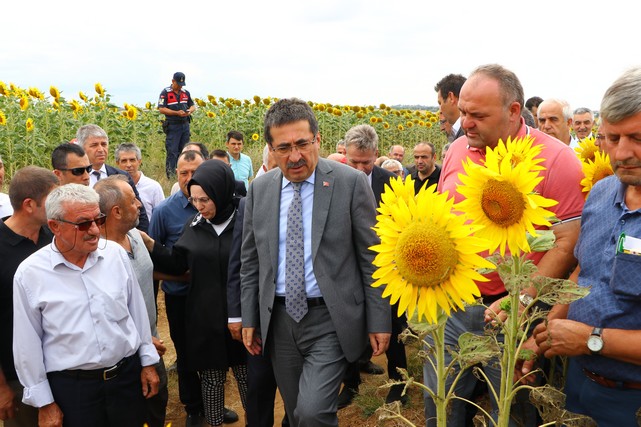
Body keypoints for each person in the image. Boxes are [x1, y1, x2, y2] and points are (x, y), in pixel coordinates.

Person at [430, 64, 585, 427]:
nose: (466, 123)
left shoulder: (558, 161)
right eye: (464, 113)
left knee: (511, 408)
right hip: (454, 307)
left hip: (516, 314)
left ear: (514, 111)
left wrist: (523, 298)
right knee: (441, 403)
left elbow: (568, 243)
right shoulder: (456, 151)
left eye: (478, 115)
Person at [240, 98, 391, 426]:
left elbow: (371, 258)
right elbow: (251, 260)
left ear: (317, 140)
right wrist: (249, 316)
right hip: (278, 320)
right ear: (270, 148)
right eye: (283, 148)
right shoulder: (260, 189)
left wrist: (379, 319)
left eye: (302, 144)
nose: (294, 156)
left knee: (313, 411)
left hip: (330, 318)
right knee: (298, 415)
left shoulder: (348, 184)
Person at [531, 67, 641, 426]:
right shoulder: (600, 193)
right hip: (579, 381)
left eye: (636, 137)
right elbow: (583, 272)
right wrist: (546, 332)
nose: (622, 153)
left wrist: (593, 339)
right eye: (611, 138)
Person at [12, 183, 159, 427]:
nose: (94, 230)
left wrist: (147, 362)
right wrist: (45, 403)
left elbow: (137, 314)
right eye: (83, 224)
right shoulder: (30, 274)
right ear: (55, 226)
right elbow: (27, 345)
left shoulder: (115, 256)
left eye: (98, 220)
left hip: (126, 380)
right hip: (74, 391)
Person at [144, 160, 248, 427]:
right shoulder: (195, 223)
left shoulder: (245, 221)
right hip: (205, 316)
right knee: (212, 378)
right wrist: (151, 245)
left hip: (241, 316)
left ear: (221, 191)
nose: (199, 206)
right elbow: (178, 262)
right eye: (194, 200)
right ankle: (213, 422)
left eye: (205, 200)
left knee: (246, 375)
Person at [340, 124, 406, 408]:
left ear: (376, 155)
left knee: (394, 326)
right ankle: (351, 382)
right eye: (353, 161)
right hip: (348, 267)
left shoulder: (392, 183)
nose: (359, 168)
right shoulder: (333, 181)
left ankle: (399, 384)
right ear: (345, 154)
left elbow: (405, 224)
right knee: (347, 326)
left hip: (388, 269)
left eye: (365, 162)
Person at [94, 175, 169, 427]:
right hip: (124, 359)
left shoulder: (136, 235)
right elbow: (102, 314)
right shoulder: (96, 256)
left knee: (157, 410)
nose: (139, 204)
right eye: (133, 200)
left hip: (153, 346)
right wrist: (141, 341)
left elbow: (150, 271)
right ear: (116, 211)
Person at [0, 166, 58, 426]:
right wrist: (2, 388)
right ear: (29, 205)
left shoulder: (54, 238)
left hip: (60, 368)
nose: (59, 207)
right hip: (16, 378)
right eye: (52, 201)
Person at [75, 124, 149, 232]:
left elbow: (139, 212)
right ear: (82, 148)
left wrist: (141, 242)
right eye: (94, 145)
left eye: (104, 144)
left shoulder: (122, 176)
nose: (101, 149)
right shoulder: (76, 177)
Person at [158, 72, 196, 178]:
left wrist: (189, 111)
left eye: (182, 84)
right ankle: (171, 176)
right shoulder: (165, 93)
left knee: (185, 150)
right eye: (178, 84)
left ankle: (183, 173)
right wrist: (176, 113)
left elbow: (193, 106)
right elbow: (161, 109)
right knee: (172, 151)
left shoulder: (185, 93)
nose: (180, 86)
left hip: (185, 125)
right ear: (173, 81)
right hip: (173, 126)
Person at [115, 143, 165, 220]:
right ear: (117, 163)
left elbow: (162, 216)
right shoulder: (114, 187)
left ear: (139, 161)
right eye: (124, 161)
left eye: (132, 160)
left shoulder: (153, 187)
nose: (128, 165)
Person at [435, 73, 467, 141]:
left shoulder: (468, 132)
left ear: (451, 97)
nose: (440, 110)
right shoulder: (460, 130)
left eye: (440, 103)